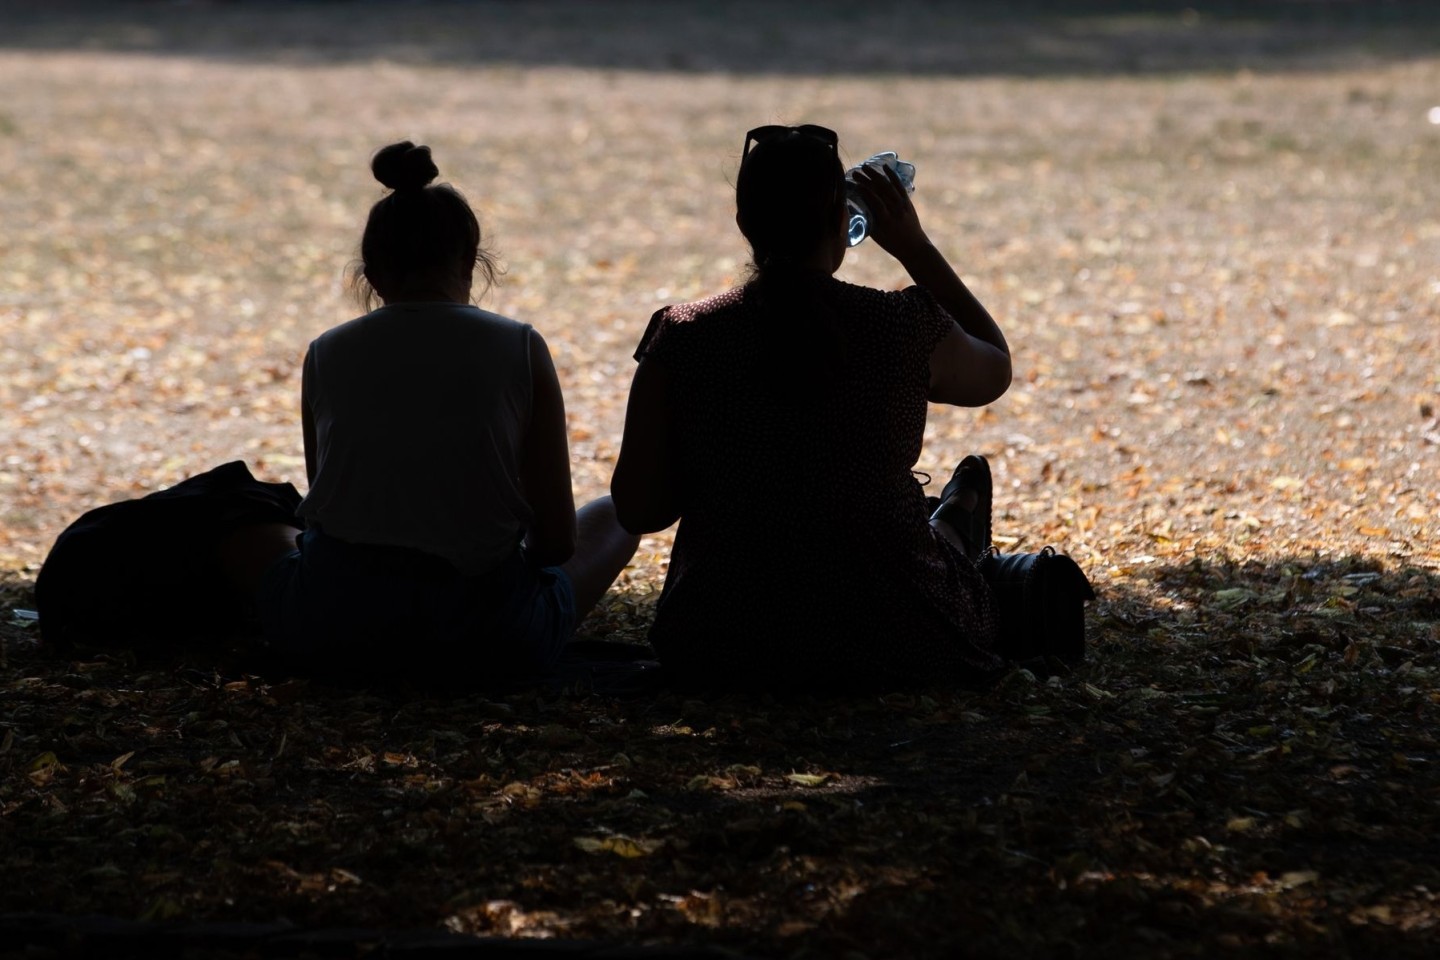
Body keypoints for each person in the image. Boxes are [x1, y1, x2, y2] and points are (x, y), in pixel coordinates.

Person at [611, 124, 1012, 692]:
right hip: (905, 635)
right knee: (936, 545)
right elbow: (994, 367)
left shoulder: (685, 335)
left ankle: (950, 516)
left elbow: (638, 510)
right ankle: (952, 519)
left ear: (744, 224)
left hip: (721, 643)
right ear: (843, 224)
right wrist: (915, 248)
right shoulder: (904, 326)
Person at [258, 141, 638, 688]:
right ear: (470, 261)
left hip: (335, 631)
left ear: (370, 271)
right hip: (487, 639)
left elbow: (329, 514)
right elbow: (556, 544)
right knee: (618, 514)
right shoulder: (519, 346)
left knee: (258, 530)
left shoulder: (326, 350)